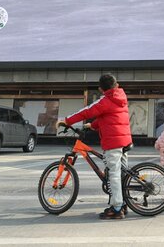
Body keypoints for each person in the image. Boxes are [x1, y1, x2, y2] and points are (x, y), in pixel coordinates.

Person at [58, 73, 132, 220]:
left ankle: (117, 208)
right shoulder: (120, 97)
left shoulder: (105, 100)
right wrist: (93, 125)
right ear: (116, 85)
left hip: (113, 142)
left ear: (100, 89)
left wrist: (67, 121)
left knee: (113, 175)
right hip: (124, 139)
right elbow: (109, 116)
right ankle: (123, 204)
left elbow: (87, 111)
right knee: (122, 174)